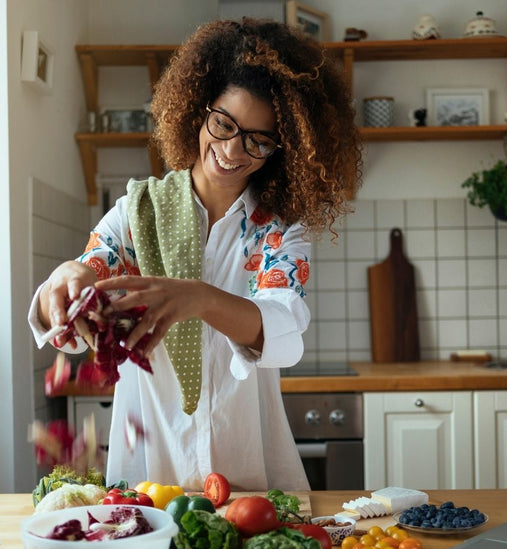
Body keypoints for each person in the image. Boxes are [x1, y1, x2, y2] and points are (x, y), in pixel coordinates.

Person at [28, 17, 362, 491]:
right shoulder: (136, 213)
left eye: (257, 140)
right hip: (149, 471)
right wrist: (65, 280)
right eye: (223, 123)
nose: (231, 150)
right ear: (197, 110)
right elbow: (78, 301)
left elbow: (284, 334)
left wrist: (200, 298)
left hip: (250, 475)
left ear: (281, 150)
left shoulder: (279, 232)